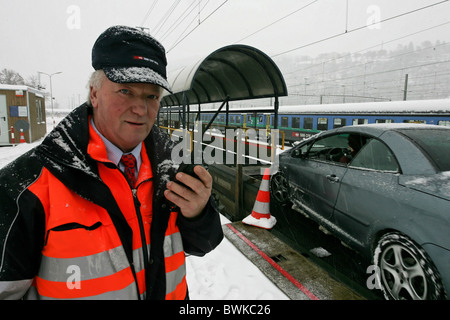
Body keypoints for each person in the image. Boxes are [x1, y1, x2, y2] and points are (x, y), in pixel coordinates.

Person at [0, 25, 223, 300]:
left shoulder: (175, 164)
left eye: (151, 95)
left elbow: (203, 245)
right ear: (94, 93)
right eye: (125, 91)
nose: (140, 108)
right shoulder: (27, 184)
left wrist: (199, 215)